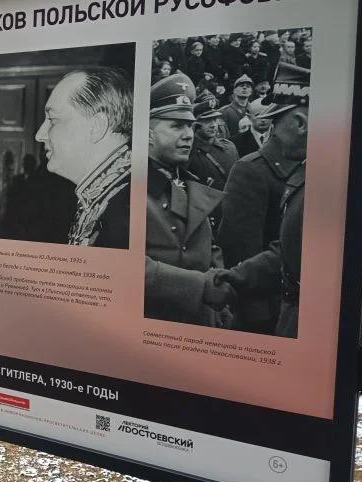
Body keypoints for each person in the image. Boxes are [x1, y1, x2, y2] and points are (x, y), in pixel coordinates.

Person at [218, 67, 309, 333]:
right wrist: (258, 320)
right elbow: (239, 247)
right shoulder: (251, 170)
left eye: (276, 121)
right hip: (271, 315)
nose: (273, 133)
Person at [143, 73, 234, 326]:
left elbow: (208, 247)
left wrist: (221, 311)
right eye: (176, 125)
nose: (188, 135)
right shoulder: (126, 189)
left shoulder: (187, 181)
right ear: (148, 134)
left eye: (190, 126)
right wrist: (201, 287)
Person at [34, 68, 133, 248]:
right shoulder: (107, 199)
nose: (40, 135)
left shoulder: (128, 210)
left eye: (53, 120)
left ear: (97, 126)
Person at [187, 97, 238, 191]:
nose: (213, 125)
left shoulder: (229, 147)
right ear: (196, 123)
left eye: (215, 119)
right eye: (207, 120)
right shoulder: (189, 152)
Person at [220, 74, 254, 142]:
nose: (245, 88)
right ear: (234, 90)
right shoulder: (224, 111)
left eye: (248, 86)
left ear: (251, 92)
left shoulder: (255, 110)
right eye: (241, 86)